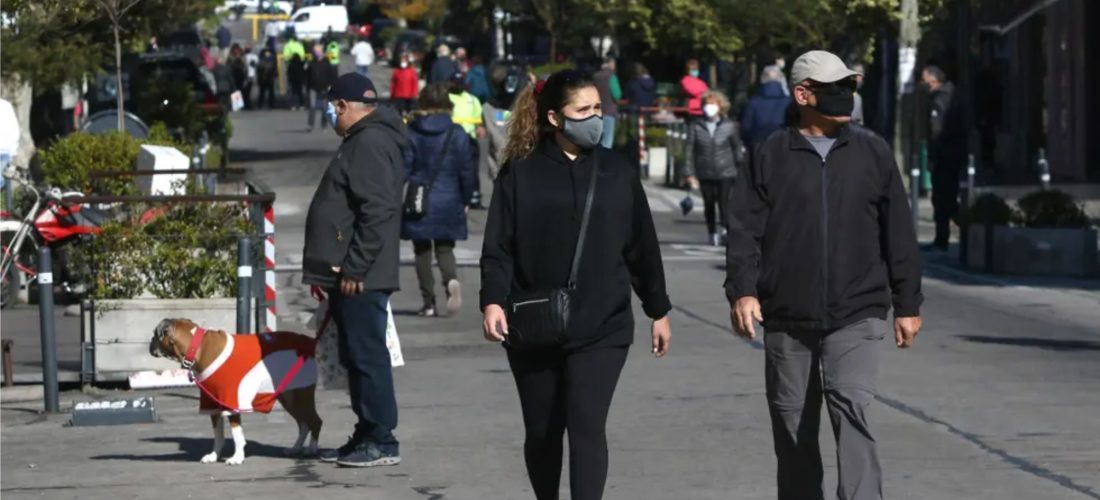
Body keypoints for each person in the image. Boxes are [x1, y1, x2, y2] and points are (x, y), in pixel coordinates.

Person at [726, 50, 923, 500]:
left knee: (851, 404)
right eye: (835, 88)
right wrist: (743, 291)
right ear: (803, 94)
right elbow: (743, 231)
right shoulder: (768, 154)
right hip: (787, 314)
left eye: (849, 86)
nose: (847, 95)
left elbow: (899, 233)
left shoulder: (872, 151)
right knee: (793, 423)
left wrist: (908, 303)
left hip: (859, 310)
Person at [480, 69, 673, 500]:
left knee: (586, 423)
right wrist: (492, 301)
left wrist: (657, 309)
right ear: (554, 118)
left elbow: (642, 244)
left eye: (597, 109)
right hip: (533, 322)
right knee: (543, 430)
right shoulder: (520, 172)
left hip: (603, 323)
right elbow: (498, 245)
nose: (594, 118)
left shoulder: (616, 170)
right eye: (582, 110)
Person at [303, 73, 408, 468]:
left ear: (344, 106)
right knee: (357, 355)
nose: (330, 114)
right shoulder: (363, 140)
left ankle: (382, 437)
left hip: (359, 276)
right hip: (348, 272)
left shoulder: (369, 143)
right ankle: (367, 431)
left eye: (332, 107)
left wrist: (355, 266)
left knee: (367, 357)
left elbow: (378, 210)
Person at [402, 84, 478, 317]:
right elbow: (467, 170)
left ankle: (428, 303)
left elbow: (404, 167)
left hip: (419, 198)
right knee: (445, 248)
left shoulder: (412, 131)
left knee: (422, 250)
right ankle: (451, 280)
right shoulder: (457, 133)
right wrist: (467, 198)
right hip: (450, 198)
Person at [682, 90, 744, 247]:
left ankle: (725, 229)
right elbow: (689, 150)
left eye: (713, 104)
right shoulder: (696, 126)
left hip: (726, 171)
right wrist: (689, 173)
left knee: (724, 202)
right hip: (704, 171)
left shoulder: (729, 126)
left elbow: (737, 148)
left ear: (720, 106)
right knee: (709, 203)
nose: (709, 107)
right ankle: (712, 232)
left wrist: (742, 168)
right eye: (707, 104)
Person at [921, 64, 965, 251]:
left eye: (924, 80)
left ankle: (943, 239)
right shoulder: (952, 95)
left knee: (942, 200)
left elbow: (936, 129)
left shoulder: (941, 99)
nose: (922, 84)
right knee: (948, 199)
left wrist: (934, 155)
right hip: (952, 154)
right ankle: (957, 231)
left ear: (933, 80)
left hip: (944, 156)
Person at [480, 63, 524, 181]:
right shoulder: (488, 108)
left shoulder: (524, 105)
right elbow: (496, 139)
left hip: (519, 167)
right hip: (499, 168)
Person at [448, 72, 485, 208]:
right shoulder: (445, 98)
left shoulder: (472, 99)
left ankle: (474, 197)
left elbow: (478, 117)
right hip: (451, 139)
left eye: (459, 82)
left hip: (470, 138)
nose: (457, 85)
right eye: (454, 82)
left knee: (472, 169)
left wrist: (480, 127)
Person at [741, 67, 790, 149]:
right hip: (785, 146)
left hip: (759, 147)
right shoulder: (789, 102)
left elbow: (746, 128)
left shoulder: (753, 102)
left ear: (762, 80)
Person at [592, 57, 622, 149]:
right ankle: (604, 161)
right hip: (609, 112)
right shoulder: (611, 76)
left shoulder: (595, 76)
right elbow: (617, 95)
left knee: (597, 140)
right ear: (611, 64)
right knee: (607, 141)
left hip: (596, 112)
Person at [307, 49, 338, 131]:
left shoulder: (327, 63)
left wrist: (330, 86)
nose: (318, 54)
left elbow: (333, 76)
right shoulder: (311, 63)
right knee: (312, 106)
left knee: (324, 108)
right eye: (316, 52)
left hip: (324, 88)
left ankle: (324, 125)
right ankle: (310, 125)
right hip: (313, 88)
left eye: (319, 52)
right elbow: (307, 76)